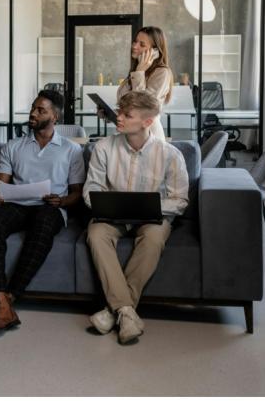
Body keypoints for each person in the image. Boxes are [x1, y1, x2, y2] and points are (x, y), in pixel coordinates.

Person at [0, 90, 86, 338]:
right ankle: (2, 304)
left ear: (55, 116)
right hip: (17, 203)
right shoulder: (13, 146)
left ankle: (5, 303)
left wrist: (62, 201)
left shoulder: (71, 150)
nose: (33, 114)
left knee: (44, 224)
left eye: (41, 110)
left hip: (51, 207)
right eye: (33, 108)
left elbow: (77, 193)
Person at [83, 90, 188, 345]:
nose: (118, 118)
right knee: (95, 234)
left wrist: (151, 207)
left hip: (153, 219)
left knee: (153, 239)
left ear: (147, 122)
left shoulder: (170, 154)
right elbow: (91, 189)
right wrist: (109, 205)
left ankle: (114, 312)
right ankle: (127, 313)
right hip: (112, 217)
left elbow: (180, 200)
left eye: (126, 115)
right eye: (119, 112)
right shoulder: (104, 147)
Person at [109, 26, 174, 140]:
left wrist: (140, 72)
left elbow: (143, 106)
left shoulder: (162, 72)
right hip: (130, 136)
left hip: (149, 137)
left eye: (142, 44)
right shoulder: (135, 72)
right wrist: (109, 113)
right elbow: (129, 107)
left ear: (155, 51)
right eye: (135, 42)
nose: (134, 46)